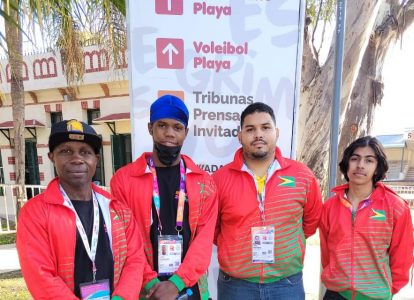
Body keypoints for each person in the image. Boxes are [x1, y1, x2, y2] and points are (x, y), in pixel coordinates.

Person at [16, 119, 146, 299]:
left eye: (85, 152)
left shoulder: (117, 209)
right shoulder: (35, 212)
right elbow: (40, 275)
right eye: (66, 151)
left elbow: (135, 261)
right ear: (52, 156)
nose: (77, 159)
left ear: (96, 160)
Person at [110, 95, 218, 300]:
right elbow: (125, 241)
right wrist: (153, 284)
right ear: (150, 128)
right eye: (162, 125)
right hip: (145, 289)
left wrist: (176, 284)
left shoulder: (204, 182)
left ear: (185, 133)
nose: (169, 133)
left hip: (190, 287)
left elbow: (203, 242)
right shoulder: (124, 180)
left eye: (177, 127)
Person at [213, 102, 323, 300]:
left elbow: (311, 221)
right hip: (236, 286)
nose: (258, 135)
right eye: (250, 129)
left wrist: (286, 246)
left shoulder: (302, 176)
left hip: (286, 283)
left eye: (265, 127)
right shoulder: (220, 179)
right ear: (240, 136)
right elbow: (213, 229)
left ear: (277, 132)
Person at [320, 136, 414, 300]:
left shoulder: (395, 207)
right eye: (355, 159)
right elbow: (326, 253)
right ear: (347, 164)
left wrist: (387, 289)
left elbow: (403, 255)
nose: (360, 165)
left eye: (369, 160)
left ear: (378, 167)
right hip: (336, 294)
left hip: (375, 296)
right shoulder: (330, 206)